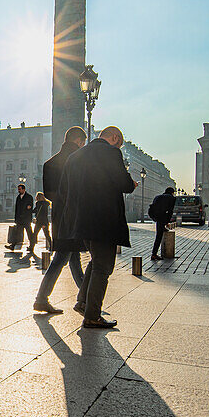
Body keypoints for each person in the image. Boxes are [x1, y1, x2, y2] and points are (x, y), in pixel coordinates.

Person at [54, 126, 137, 329]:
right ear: (115, 138)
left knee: (95, 261)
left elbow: (63, 190)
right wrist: (131, 183)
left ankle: (83, 301)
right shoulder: (111, 152)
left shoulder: (74, 157)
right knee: (103, 266)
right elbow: (124, 183)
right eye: (119, 143)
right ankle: (92, 315)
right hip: (103, 219)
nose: (119, 146)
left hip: (80, 221)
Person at [33, 126, 87, 314]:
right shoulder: (80, 161)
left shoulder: (50, 163)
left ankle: (86, 297)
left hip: (59, 216)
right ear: (79, 141)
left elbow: (49, 194)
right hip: (75, 217)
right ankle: (41, 299)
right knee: (62, 258)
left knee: (73, 258)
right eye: (83, 143)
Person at [148, 187, 175, 260]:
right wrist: (167, 222)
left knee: (160, 232)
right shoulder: (171, 198)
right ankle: (154, 254)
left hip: (156, 217)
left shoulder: (158, 197)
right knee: (158, 236)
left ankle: (154, 253)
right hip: (162, 217)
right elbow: (170, 211)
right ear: (172, 192)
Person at [9, 183, 35, 252]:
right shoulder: (18, 197)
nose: (18, 190)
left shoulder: (29, 197)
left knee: (29, 233)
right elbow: (16, 209)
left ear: (24, 189)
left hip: (26, 220)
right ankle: (12, 246)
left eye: (20, 189)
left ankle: (32, 246)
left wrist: (29, 207)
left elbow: (30, 207)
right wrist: (16, 219)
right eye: (18, 189)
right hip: (20, 220)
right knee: (17, 233)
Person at [30, 192, 50, 256]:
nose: (37, 198)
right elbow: (35, 210)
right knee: (35, 234)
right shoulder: (38, 203)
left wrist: (44, 224)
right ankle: (31, 247)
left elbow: (44, 214)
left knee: (46, 234)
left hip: (43, 221)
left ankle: (52, 246)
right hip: (39, 221)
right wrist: (29, 209)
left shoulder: (45, 204)